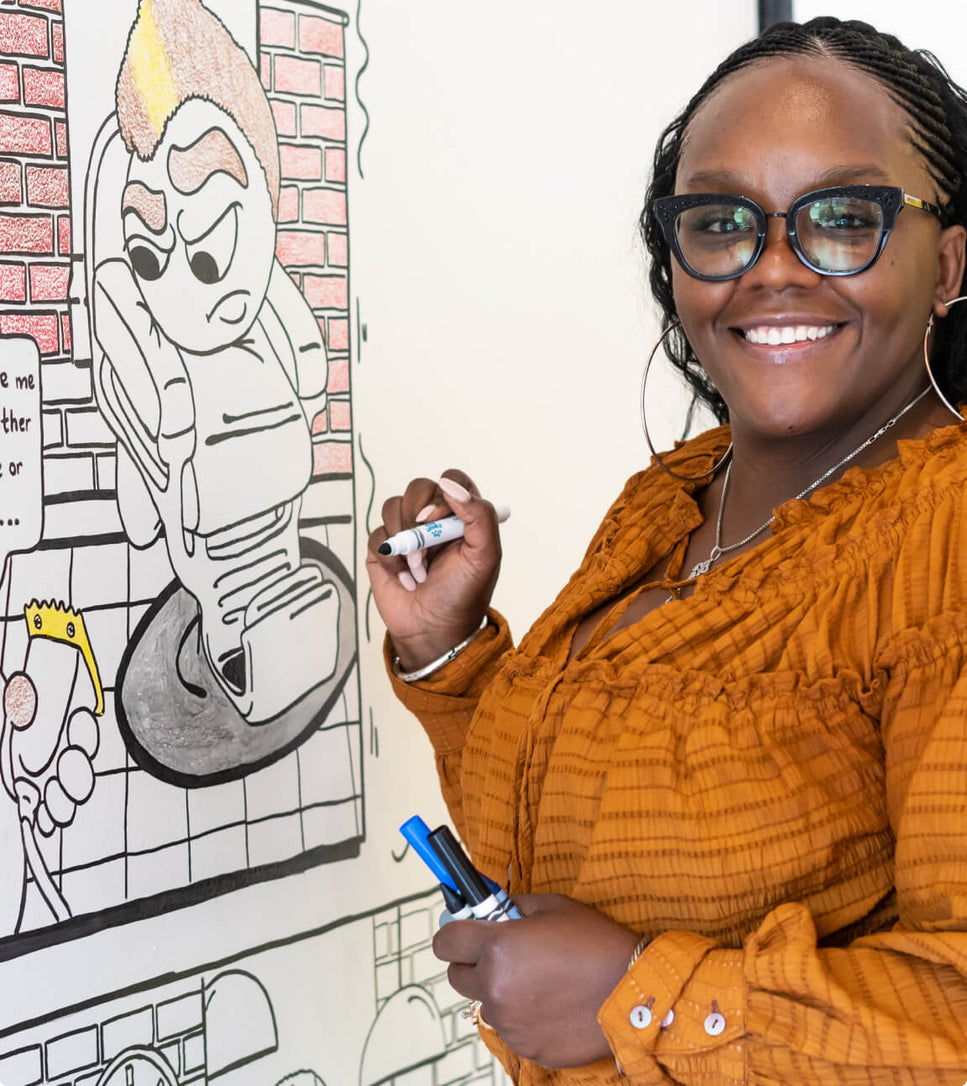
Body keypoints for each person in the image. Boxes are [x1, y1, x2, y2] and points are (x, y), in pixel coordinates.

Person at [366, 17, 967, 1085]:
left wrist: (636, 995)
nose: (773, 270)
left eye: (841, 218)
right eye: (722, 222)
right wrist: (448, 653)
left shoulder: (947, 541)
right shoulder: (671, 500)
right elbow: (563, 846)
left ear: (949, 262)